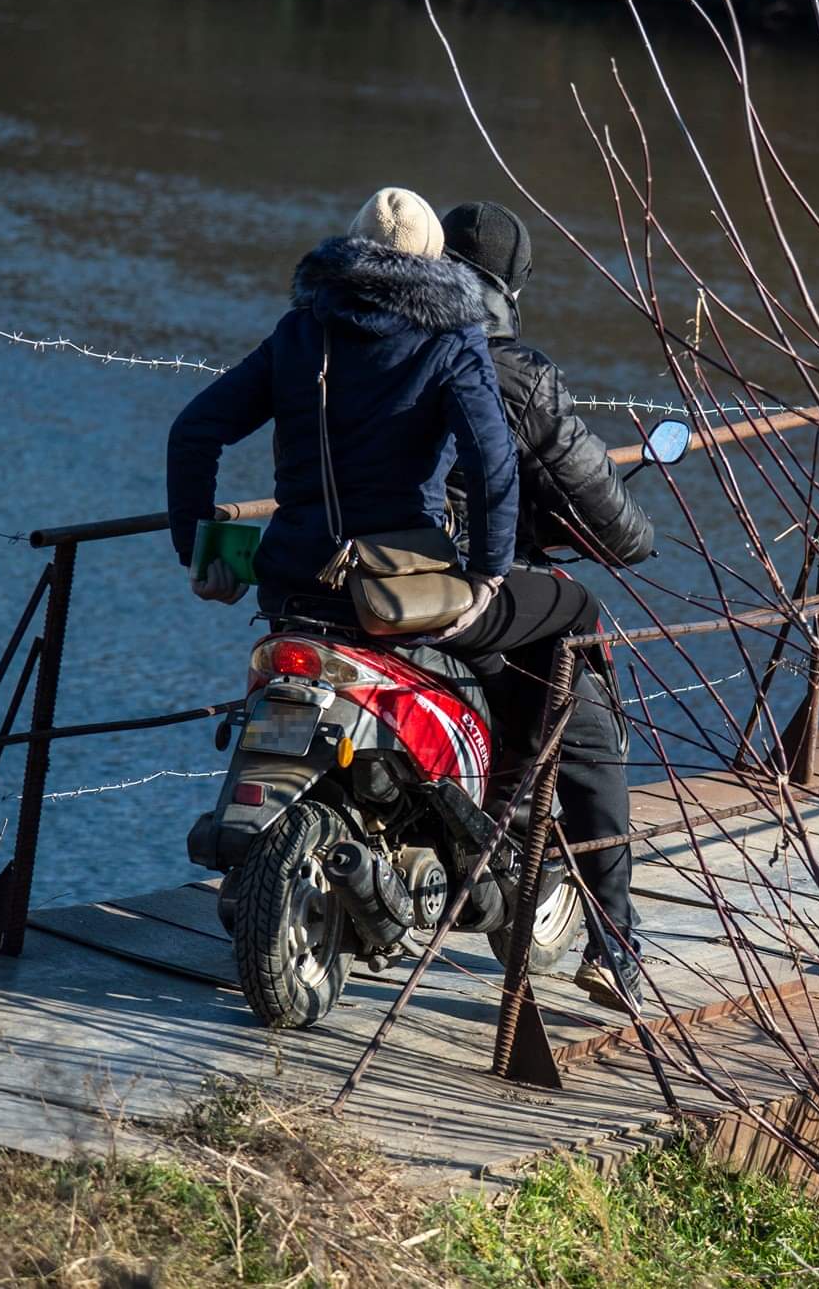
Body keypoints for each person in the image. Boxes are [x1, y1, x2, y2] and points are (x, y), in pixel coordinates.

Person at [165, 186, 596, 835]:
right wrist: (484, 576)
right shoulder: (450, 339)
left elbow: (193, 431)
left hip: (292, 585)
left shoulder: (301, 331)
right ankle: (512, 806)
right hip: (401, 591)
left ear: (348, 247)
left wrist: (197, 550)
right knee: (572, 609)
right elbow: (493, 463)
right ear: (434, 262)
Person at [440, 199, 654, 1016]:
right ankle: (614, 943)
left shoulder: (372, 338)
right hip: (469, 591)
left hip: (353, 574)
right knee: (589, 723)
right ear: (512, 287)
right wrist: (634, 533)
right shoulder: (516, 376)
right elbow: (611, 518)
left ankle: (489, 837)